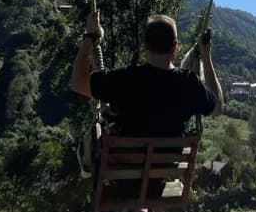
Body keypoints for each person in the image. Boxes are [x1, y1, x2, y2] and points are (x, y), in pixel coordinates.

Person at [70, 11, 223, 136]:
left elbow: (77, 83)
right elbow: (217, 108)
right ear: (175, 47)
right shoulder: (189, 83)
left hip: (125, 167)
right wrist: (206, 56)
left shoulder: (126, 79)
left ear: (146, 46)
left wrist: (89, 36)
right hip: (167, 166)